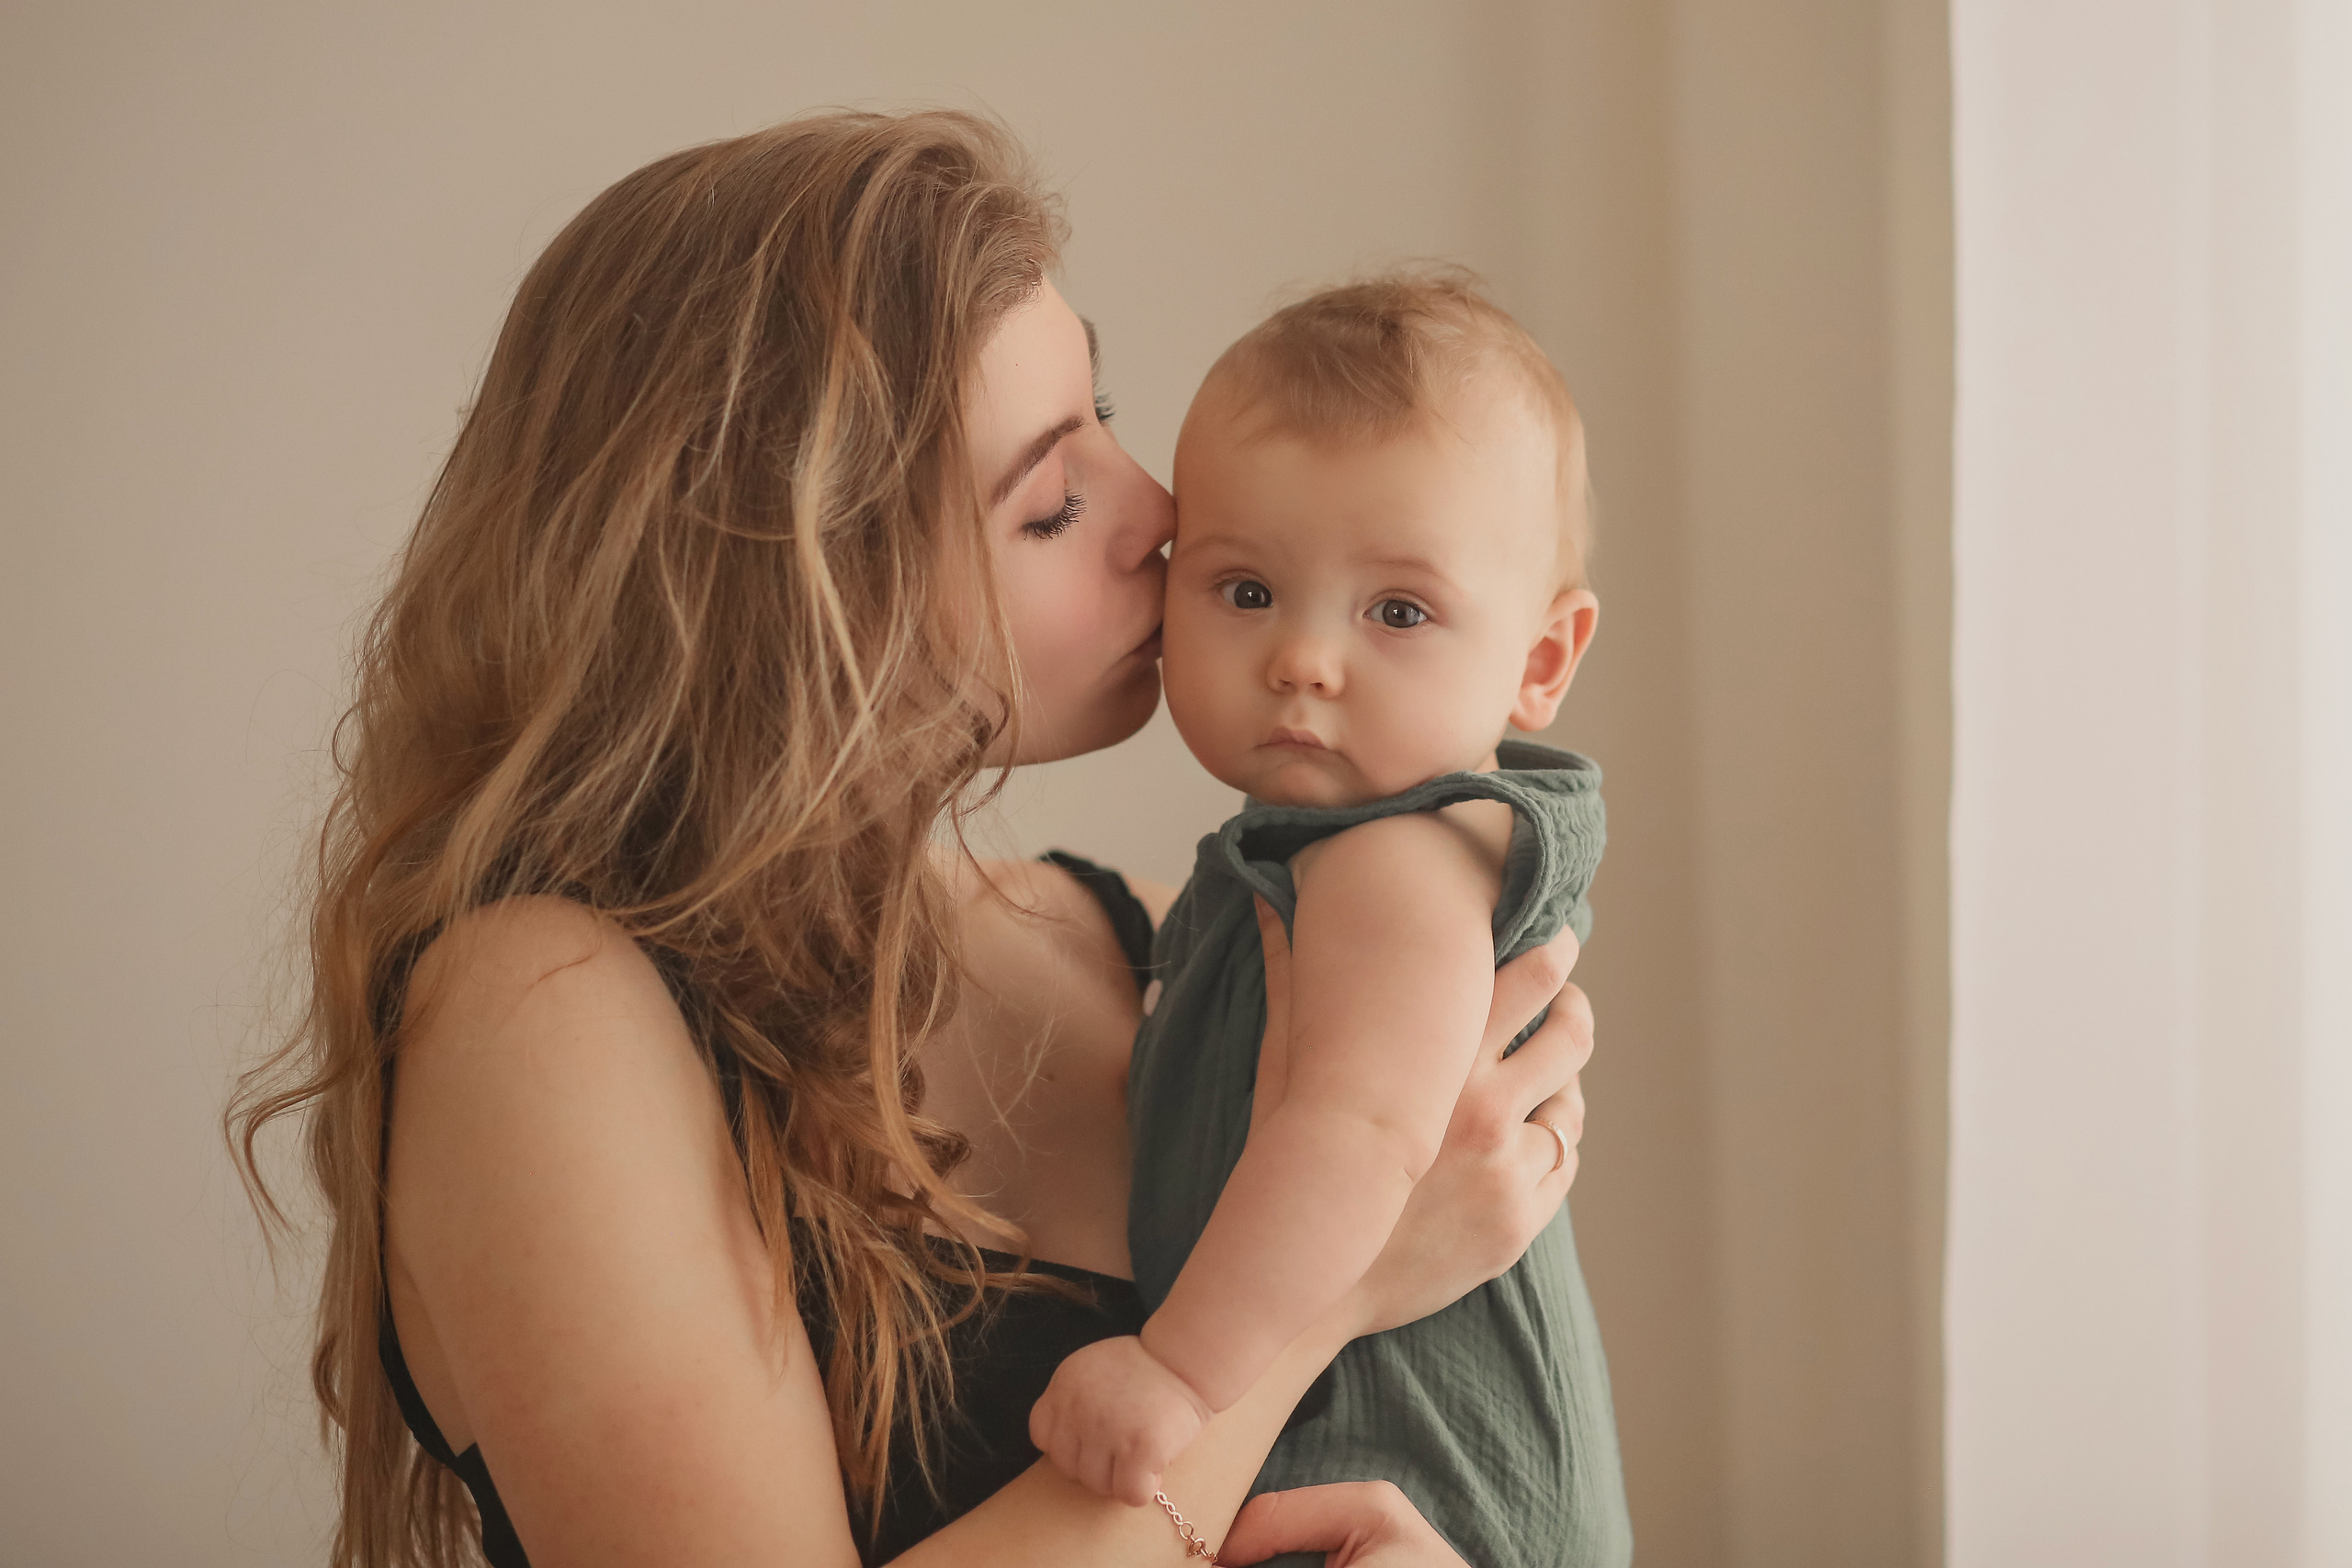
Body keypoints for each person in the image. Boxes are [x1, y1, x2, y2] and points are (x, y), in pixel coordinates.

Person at [231, 110, 1600, 1568]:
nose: (1164, 518)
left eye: (1111, 415)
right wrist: (1326, 1300)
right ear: (810, 602)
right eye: (1053, 501)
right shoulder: (544, 1010)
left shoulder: (1163, 938)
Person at [1027, 276, 1630, 1568]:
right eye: (1245, 591)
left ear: (1541, 661)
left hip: (1426, 1483)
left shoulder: (1395, 857)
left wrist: (1177, 1375)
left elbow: (1362, 1134)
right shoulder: (1303, 855)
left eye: (1397, 612)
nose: (1304, 657)